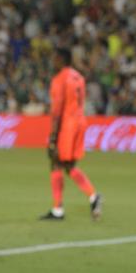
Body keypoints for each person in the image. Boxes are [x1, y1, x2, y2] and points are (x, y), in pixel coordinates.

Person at [40, 48, 102, 221]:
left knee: (56, 162)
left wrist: (53, 136)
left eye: (55, 59)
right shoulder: (78, 76)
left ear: (61, 59)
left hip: (67, 126)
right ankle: (90, 197)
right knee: (66, 164)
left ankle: (59, 208)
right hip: (80, 123)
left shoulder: (60, 79)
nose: (53, 62)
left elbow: (57, 110)